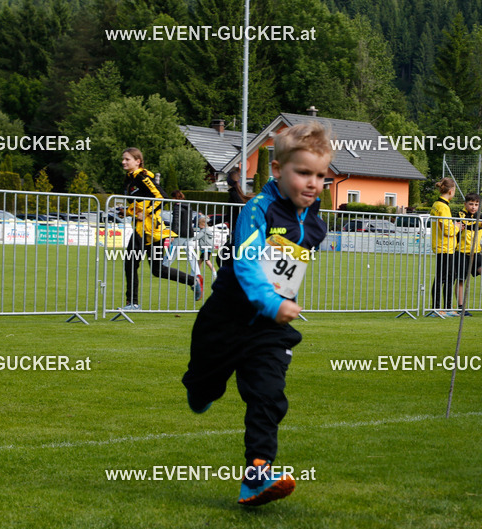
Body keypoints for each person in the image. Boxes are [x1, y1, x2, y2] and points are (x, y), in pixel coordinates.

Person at [182, 121, 333, 506]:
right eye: (303, 173)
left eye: (320, 175)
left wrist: (279, 304)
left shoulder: (315, 225)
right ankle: (200, 387)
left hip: (270, 330)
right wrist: (272, 300)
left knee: (268, 395)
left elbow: (285, 268)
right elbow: (247, 264)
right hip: (226, 320)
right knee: (203, 389)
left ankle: (257, 474)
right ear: (278, 171)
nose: (313, 183)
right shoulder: (258, 210)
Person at [119, 148, 201, 310]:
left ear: (138, 161)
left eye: (127, 159)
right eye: (123, 159)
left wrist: (146, 212)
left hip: (150, 230)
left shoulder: (143, 177)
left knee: (137, 264)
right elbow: (138, 204)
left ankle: (133, 303)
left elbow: (161, 197)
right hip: (143, 229)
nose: (123, 162)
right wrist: (128, 211)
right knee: (153, 269)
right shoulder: (129, 180)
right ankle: (193, 280)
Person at [456, 193, 482, 313]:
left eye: (476, 205)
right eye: (471, 204)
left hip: (476, 252)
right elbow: (466, 225)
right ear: (465, 204)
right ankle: (461, 307)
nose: (473, 207)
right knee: (461, 279)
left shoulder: (480, 216)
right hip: (461, 252)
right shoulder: (460, 214)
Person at [429, 177, 460, 316]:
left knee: (448, 276)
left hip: (443, 246)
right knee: (443, 277)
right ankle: (437, 308)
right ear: (451, 191)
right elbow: (448, 230)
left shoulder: (436, 204)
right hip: (445, 247)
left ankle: (446, 307)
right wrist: (458, 227)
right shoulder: (443, 207)